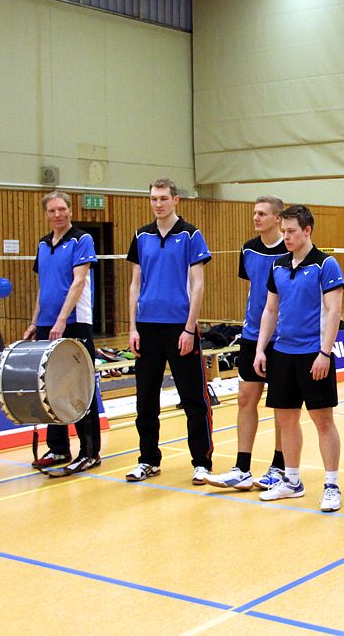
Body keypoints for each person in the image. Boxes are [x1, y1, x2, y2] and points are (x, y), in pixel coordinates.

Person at [253, 204, 344, 512]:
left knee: (323, 421)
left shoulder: (325, 265)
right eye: (284, 232)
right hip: (283, 353)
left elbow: (333, 311)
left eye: (291, 232)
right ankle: (292, 480)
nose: (286, 237)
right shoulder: (278, 266)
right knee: (286, 419)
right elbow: (270, 310)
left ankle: (331, 484)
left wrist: (325, 353)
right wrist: (260, 349)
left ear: (307, 231)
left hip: (313, 354)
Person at [125, 178, 214, 485]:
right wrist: (132, 327)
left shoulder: (191, 235)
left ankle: (201, 462)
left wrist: (190, 328)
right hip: (147, 328)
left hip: (180, 328)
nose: (158, 204)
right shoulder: (141, 235)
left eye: (163, 198)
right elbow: (135, 283)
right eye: (153, 199)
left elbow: (197, 283)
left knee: (193, 399)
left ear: (176, 200)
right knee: (145, 400)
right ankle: (148, 460)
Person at [205, 196, 288, 491]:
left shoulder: (289, 250)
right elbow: (253, 287)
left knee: (281, 405)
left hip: (283, 339)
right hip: (252, 334)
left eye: (262, 214)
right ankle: (242, 467)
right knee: (245, 399)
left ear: (278, 219)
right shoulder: (248, 248)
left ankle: (280, 466)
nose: (256, 218)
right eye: (255, 213)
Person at [25, 190, 102, 474]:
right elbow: (44, 288)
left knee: (80, 386)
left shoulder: (82, 240)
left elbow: (78, 282)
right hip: (48, 323)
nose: (57, 214)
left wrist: (61, 320)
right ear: (46, 214)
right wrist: (36, 322)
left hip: (74, 323)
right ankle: (58, 449)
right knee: (51, 387)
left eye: (62, 209)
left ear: (70, 210)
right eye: (52, 211)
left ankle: (90, 451)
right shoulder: (43, 245)